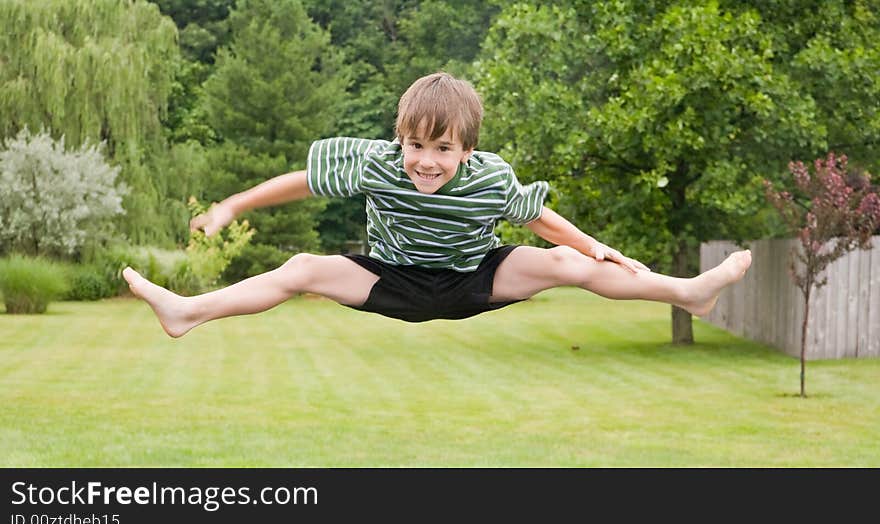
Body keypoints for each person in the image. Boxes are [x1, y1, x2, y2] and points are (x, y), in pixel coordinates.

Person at [123, 72, 751, 338]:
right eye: (414, 145)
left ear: (468, 150)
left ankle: (687, 292)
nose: (425, 161)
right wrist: (233, 205)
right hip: (392, 278)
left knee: (563, 264)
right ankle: (186, 313)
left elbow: (533, 215)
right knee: (301, 270)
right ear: (400, 138)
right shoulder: (376, 162)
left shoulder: (489, 178)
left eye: (442, 149)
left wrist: (591, 246)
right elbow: (303, 181)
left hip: (474, 278)